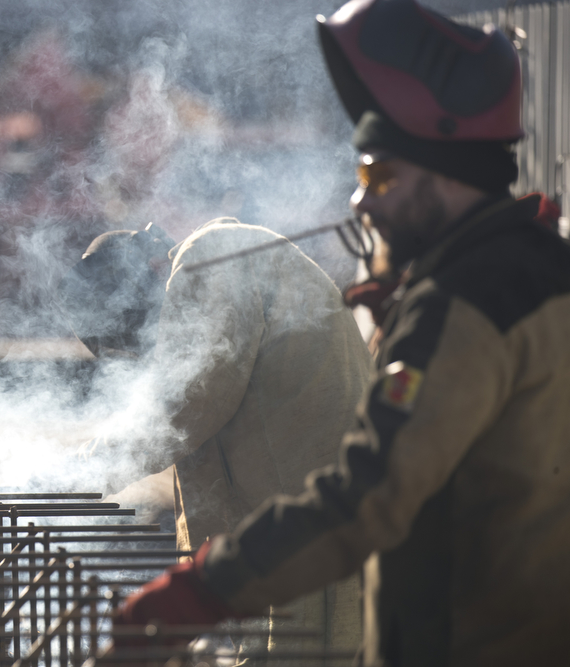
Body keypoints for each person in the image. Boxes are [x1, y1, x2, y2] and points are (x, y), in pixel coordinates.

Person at [114, 1, 570, 665]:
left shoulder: (464, 304)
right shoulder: (537, 266)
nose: (361, 200)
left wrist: (205, 588)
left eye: (376, 174)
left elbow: (367, 496)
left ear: (442, 175)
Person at [57, 220, 372, 653]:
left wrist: (79, 473)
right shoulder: (217, 264)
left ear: (147, 271)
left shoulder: (212, 256)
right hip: (288, 528)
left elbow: (187, 403)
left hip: (309, 527)